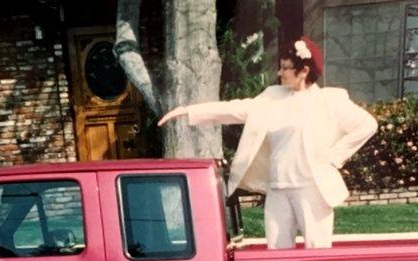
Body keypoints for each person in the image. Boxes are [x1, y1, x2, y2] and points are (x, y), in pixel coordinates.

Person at [157, 36, 377, 249]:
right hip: (278, 190)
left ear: (304, 72)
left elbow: (367, 125)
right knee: (276, 252)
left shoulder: (329, 100)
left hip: (312, 190)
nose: (279, 72)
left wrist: (332, 158)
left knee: (317, 252)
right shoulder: (272, 96)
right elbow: (234, 108)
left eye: (285, 68)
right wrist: (187, 111)